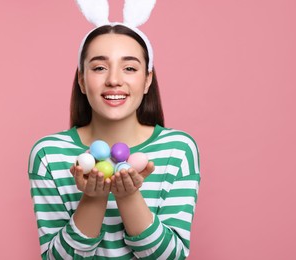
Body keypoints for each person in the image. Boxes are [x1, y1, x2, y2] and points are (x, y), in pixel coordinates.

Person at [28, 21, 200, 260]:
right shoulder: (49, 154)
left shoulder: (178, 149)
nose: (114, 80)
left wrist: (128, 196)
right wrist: (94, 198)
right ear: (81, 80)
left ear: (148, 79)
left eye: (129, 68)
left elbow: (170, 257)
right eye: (99, 68)